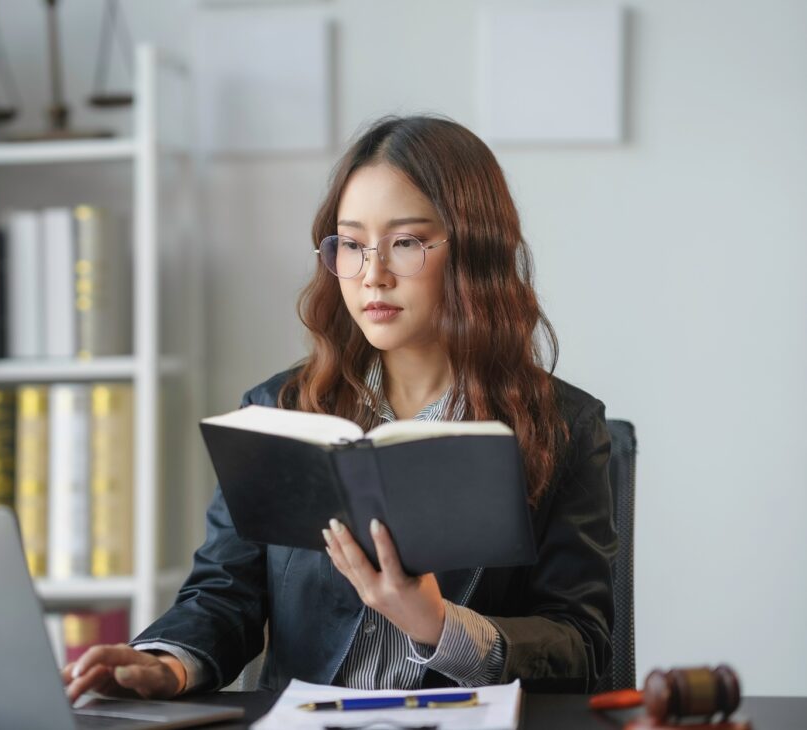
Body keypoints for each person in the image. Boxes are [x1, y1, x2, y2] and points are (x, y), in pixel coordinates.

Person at [62, 115, 616, 699]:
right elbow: (224, 594)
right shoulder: (283, 409)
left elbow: (581, 644)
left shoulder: (564, 427)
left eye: (404, 243)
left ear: (474, 248)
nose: (372, 275)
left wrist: (438, 625)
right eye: (351, 244)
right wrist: (168, 662)